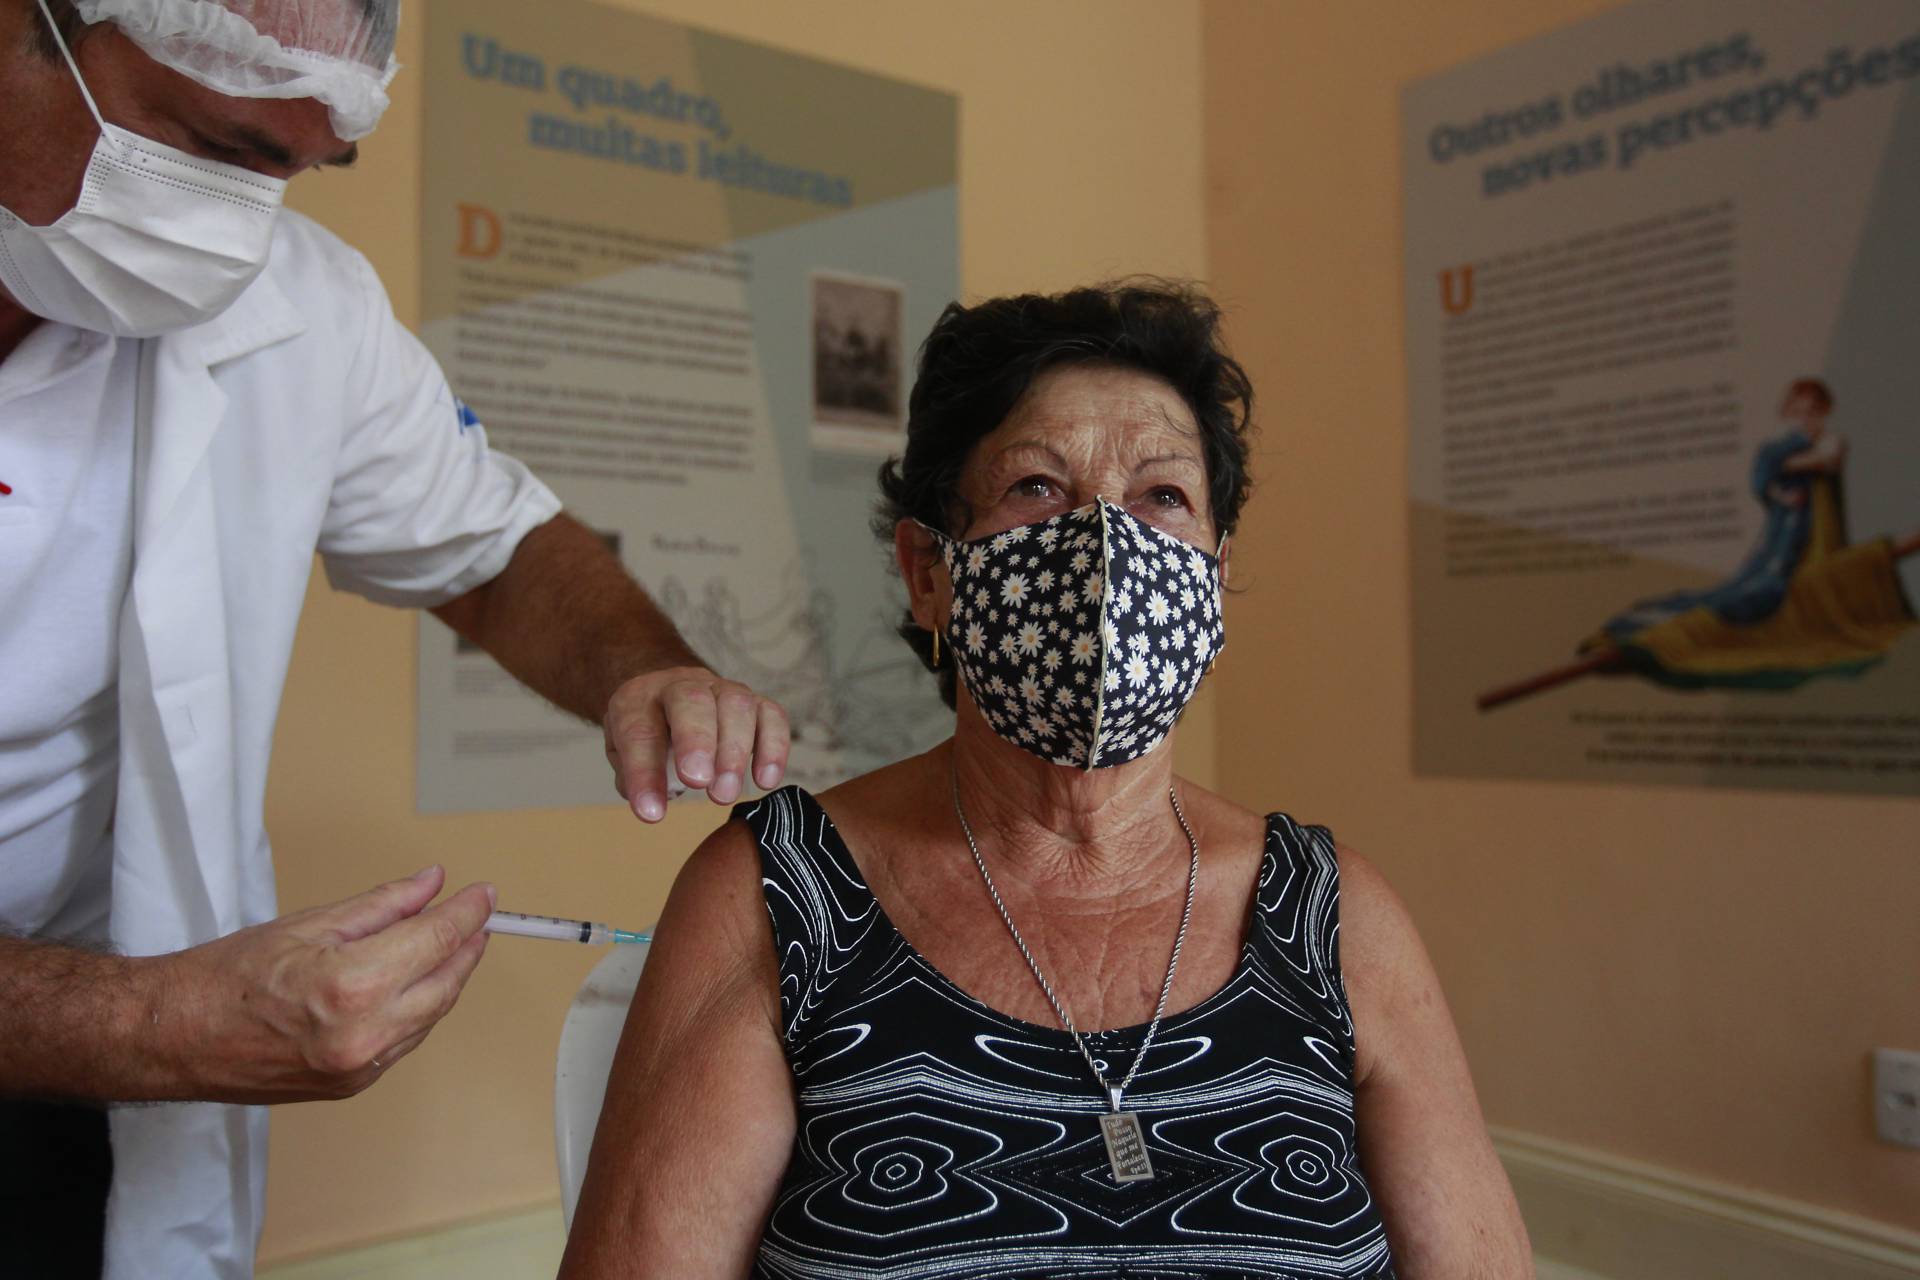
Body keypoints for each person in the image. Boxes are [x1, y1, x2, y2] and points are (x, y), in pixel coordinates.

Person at [0, 0, 789, 1275]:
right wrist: (153, 1019)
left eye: (297, 171)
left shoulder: (304, 312)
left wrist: (644, 667)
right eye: (215, 146)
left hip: (66, 1132)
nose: (236, 232)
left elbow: (500, 554)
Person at [562, 282, 1532, 1278]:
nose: (1110, 548)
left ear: (1214, 572)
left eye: (1163, 495)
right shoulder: (771, 897)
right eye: (1037, 487)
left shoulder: (1337, 915)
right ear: (929, 570)